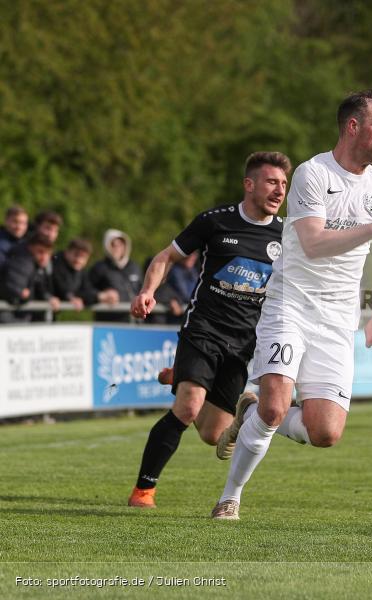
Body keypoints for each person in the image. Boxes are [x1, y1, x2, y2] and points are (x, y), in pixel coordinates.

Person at [210, 90, 372, 520]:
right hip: (291, 307)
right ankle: (231, 497)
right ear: (353, 126)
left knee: (325, 433)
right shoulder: (312, 173)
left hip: (338, 320)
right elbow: (315, 243)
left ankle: (252, 411)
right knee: (277, 405)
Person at [126, 151, 292, 509]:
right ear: (249, 185)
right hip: (204, 329)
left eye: (283, 183)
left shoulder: (289, 236)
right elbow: (164, 257)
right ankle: (143, 491)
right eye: (270, 182)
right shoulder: (216, 221)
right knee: (187, 407)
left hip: (245, 342)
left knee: (213, 433)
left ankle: (183, 376)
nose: (279, 190)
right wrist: (147, 291)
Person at [0, 233, 58, 321]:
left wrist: (48, 297)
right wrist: (23, 294)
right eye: (40, 252)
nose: (44, 257)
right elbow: (16, 292)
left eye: (48, 253)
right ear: (30, 247)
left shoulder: (36, 266)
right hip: (11, 315)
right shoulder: (23, 262)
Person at [87, 229, 143, 322]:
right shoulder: (99, 267)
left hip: (135, 323)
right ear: (107, 246)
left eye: (120, 244)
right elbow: (85, 290)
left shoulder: (134, 267)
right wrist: (102, 295)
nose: (117, 248)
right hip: (108, 323)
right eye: (113, 244)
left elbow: (142, 290)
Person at [50, 238, 95, 310]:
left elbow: (87, 289)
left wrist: (100, 296)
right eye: (76, 255)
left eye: (83, 257)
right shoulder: (55, 262)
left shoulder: (81, 270)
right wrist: (71, 297)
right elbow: (58, 284)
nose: (79, 260)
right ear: (67, 252)